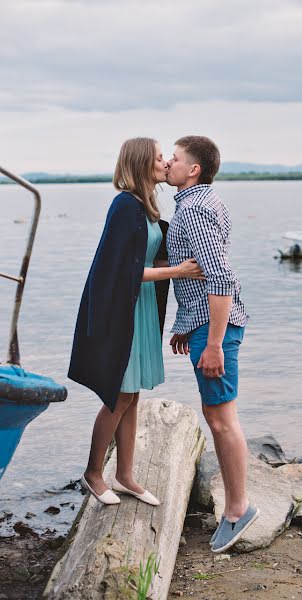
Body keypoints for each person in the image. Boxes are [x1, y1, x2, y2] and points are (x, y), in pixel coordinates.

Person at [68, 137, 204, 506]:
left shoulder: (146, 207)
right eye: (160, 157)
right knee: (119, 393)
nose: (165, 162)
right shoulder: (125, 206)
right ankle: (94, 473)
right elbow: (120, 269)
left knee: (132, 394)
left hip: (142, 308)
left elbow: (160, 254)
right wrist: (180, 270)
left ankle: (126, 475)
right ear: (142, 163)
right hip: (121, 310)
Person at [166, 136, 259, 553]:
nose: (168, 162)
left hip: (216, 328)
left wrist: (214, 343)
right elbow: (200, 274)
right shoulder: (203, 202)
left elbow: (220, 277)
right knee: (217, 413)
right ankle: (237, 505)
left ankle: (239, 509)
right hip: (205, 323)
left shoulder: (194, 210)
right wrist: (187, 326)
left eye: (176, 158)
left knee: (221, 419)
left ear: (194, 170)